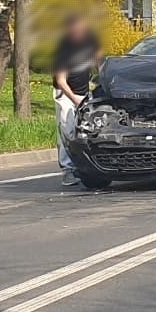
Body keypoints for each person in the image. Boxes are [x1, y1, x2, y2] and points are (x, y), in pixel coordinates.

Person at [53, 14, 101, 187]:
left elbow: (99, 64)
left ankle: (85, 166)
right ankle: (67, 170)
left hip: (83, 93)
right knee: (67, 130)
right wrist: (74, 99)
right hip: (65, 94)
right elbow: (61, 80)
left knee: (85, 130)